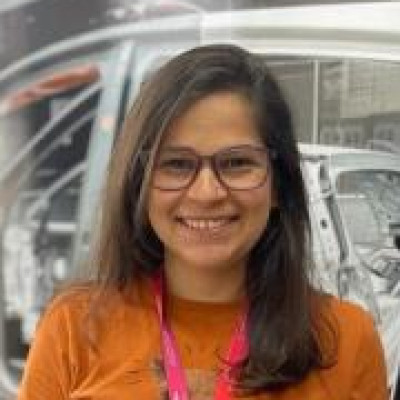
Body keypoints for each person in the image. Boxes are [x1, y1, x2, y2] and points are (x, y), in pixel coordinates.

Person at [17, 44, 388, 400]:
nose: (206, 193)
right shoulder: (74, 328)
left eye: (237, 162)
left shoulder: (347, 340)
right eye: (177, 164)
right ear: (140, 183)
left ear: (278, 183)